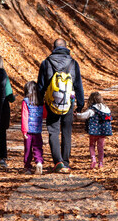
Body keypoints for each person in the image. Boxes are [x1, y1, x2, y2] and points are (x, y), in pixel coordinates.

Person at [36, 39, 84, 173]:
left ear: (53, 48)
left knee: (53, 131)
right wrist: (80, 105)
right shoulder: (73, 63)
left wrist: (40, 102)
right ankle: (66, 163)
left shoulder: (46, 63)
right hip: (69, 103)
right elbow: (78, 85)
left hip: (51, 102)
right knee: (66, 132)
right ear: (66, 47)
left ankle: (58, 162)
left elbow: (41, 85)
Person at [76, 92, 112, 170]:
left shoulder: (92, 109)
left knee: (92, 145)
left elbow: (84, 115)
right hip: (103, 132)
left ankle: (93, 160)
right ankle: (101, 163)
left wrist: (77, 115)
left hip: (93, 132)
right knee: (101, 147)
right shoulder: (106, 109)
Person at [21, 81, 45, 174]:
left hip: (28, 131)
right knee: (38, 147)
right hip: (37, 130)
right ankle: (39, 162)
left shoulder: (26, 101)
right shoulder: (40, 102)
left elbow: (24, 116)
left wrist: (24, 130)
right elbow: (44, 114)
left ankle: (27, 167)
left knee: (28, 148)